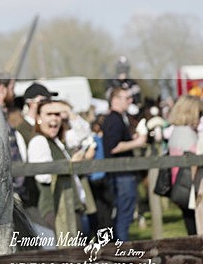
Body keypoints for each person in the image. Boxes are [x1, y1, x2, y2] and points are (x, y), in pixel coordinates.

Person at [27, 100, 96, 237]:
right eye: (49, 114)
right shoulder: (39, 141)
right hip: (56, 210)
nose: (54, 118)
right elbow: (43, 176)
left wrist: (68, 112)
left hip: (70, 208)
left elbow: (84, 133)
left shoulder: (58, 141)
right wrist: (69, 164)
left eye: (57, 114)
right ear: (39, 118)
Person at [165, 95, 202, 264]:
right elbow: (196, 158)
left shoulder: (177, 132)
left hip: (184, 193)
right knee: (196, 242)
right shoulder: (186, 134)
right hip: (190, 194)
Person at [102, 85, 147, 241]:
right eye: (126, 98)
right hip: (120, 174)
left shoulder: (119, 118)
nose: (130, 100)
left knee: (124, 214)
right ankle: (121, 250)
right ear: (115, 100)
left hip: (123, 173)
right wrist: (138, 142)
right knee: (124, 214)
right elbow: (113, 147)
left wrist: (132, 140)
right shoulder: (113, 119)